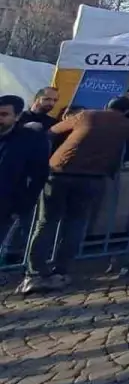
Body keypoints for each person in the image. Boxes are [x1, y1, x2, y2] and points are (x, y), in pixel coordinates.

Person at [19, 104, 129, 295]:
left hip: (60, 171)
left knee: (46, 222)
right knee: (76, 224)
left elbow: (52, 131)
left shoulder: (87, 115)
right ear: (125, 110)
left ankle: (35, 273)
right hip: (94, 176)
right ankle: (62, 270)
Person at [0, 95, 50, 267]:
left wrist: (24, 203)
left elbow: (39, 174)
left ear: (17, 116)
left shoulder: (30, 140)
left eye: (4, 114)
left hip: (6, 204)